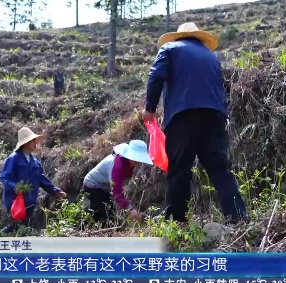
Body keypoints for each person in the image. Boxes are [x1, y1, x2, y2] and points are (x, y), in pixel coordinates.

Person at [141, 22, 248, 225]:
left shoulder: (170, 49)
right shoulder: (211, 57)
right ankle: (238, 217)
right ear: (198, 37)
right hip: (214, 116)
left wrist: (150, 108)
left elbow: (155, 75)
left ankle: (177, 221)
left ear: (179, 37)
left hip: (183, 116)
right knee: (219, 168)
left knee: (179, 169)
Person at [0, 127, 66, 233]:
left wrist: (55, 191)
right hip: (15, 201)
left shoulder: (35, 162)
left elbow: (41, 179)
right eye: (32, 141)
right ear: (25, 143)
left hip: (30, 201)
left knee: (23, 227)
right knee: (15, 225)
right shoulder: (13, 158)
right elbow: (4, 177)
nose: (35, 143)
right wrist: (14, 187)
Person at [81, 140, 153, 224]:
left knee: (96, 214)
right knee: (108, 213)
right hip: (92, 185)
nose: (138, 162)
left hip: (103, 186)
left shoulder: (127, 162)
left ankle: (84, 229)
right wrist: (130, 209)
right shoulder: (117, 166)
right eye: (137, 158)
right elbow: (116, 191)